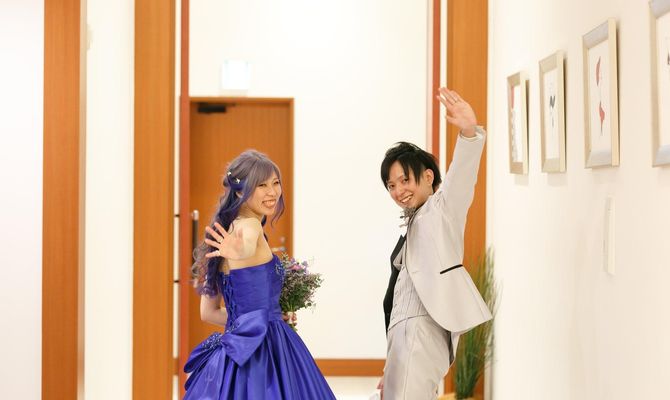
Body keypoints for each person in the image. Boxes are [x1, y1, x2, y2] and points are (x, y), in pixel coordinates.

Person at [184, 150, 335, 399]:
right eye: (262, 185)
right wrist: (240, 252)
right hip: (268, 349)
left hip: (235, 350)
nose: (272, 192)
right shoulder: (249, 225)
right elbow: (247, 243)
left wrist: (264, 316)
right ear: (240, 192)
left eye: (275, 183)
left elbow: (208, 313)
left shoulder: (226, 233)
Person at [377, 88, 492, 399]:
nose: (398, 191)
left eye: (405, 180)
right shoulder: (414, 220)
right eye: (391, 185)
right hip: (403, 332)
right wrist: (390, 365)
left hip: (422, 330)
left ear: (428, 177)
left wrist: (469, 133)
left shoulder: (443, 209)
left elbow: (462, 175)